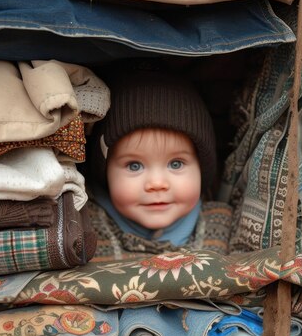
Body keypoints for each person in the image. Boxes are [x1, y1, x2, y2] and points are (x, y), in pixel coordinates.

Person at [86, 69, 232, 261]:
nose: (156, 183)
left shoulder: (219, 225)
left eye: (176, 163)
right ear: (105, 173)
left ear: (201, 169)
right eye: (134, 166)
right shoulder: (86, 227)